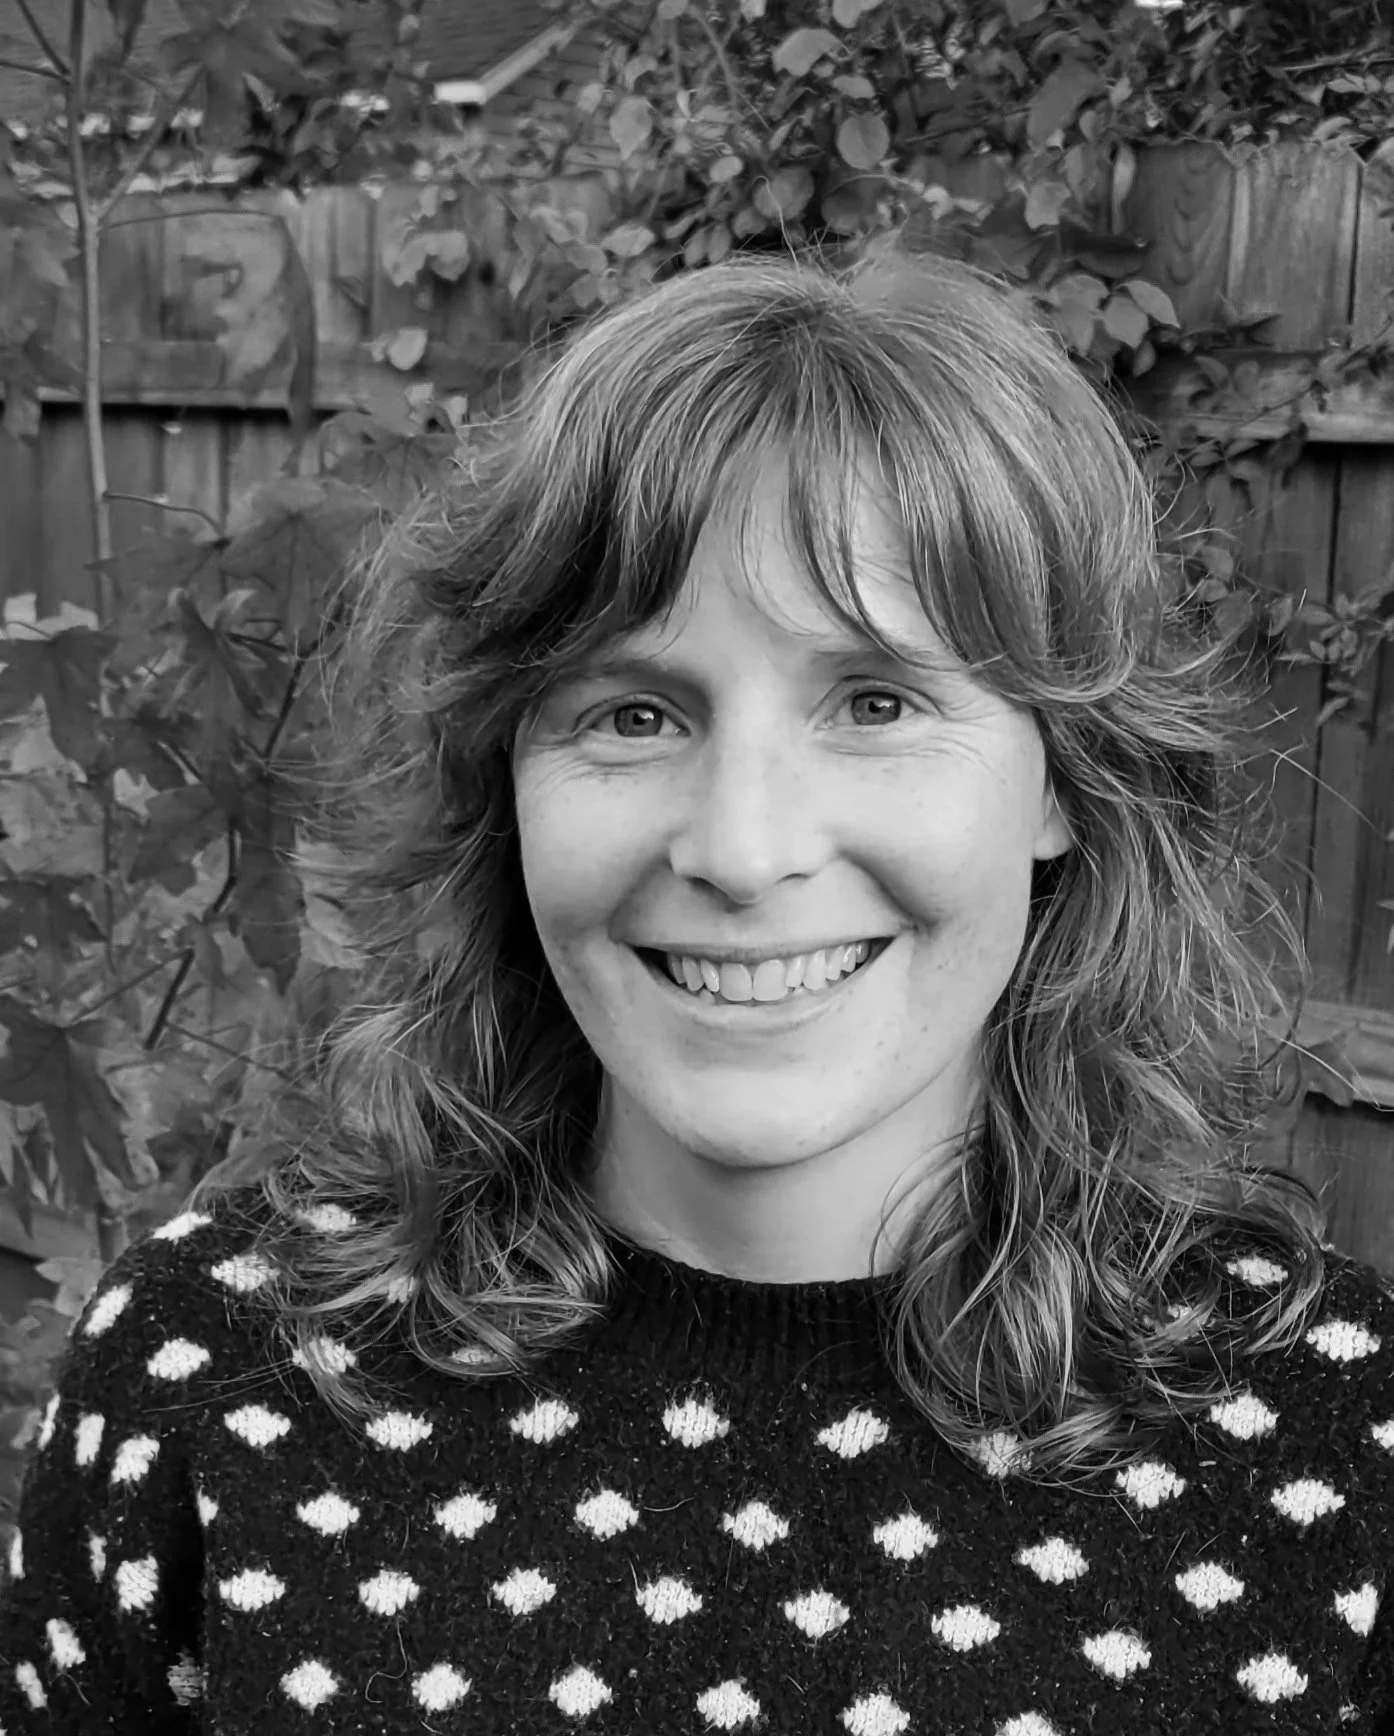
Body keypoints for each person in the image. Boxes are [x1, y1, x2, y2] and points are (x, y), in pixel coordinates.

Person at [1, 239, 1391, 1736]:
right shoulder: (215, 1384)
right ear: (505, 780)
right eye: (632, 710)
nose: (741, 848)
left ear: (1063, 778)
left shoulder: (1338, 1458)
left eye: (875, 702)